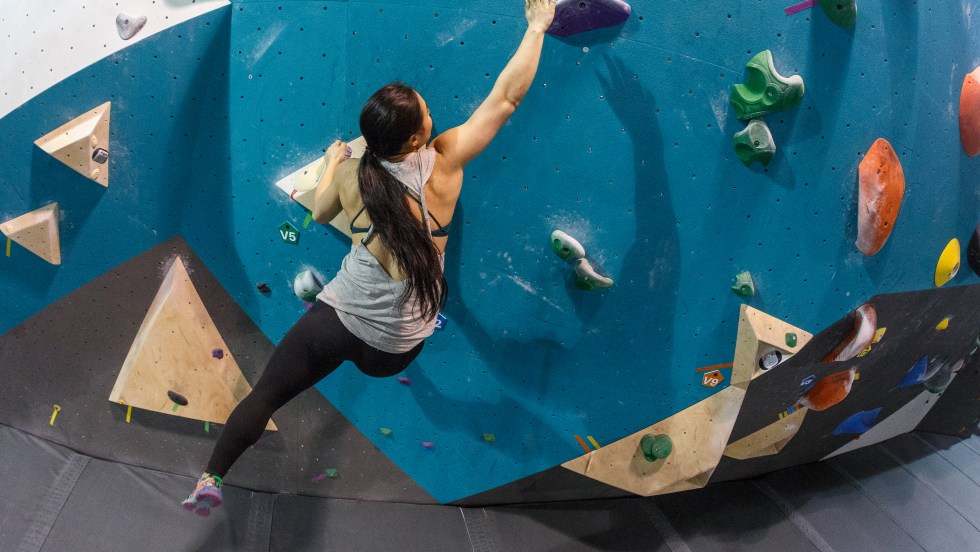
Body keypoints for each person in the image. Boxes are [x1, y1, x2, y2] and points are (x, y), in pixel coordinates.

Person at [182, 0, 556, 516]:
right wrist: (537, 27)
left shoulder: (351, 173)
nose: (433, 115)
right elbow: (506, 98)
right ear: (416, 138)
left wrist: (332, 162)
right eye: (427, 113)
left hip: (336, 321)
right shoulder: (445, 159)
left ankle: (211, 477)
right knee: (423, 307)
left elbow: (319, 213)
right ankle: (425, 318)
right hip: (394, 350)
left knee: (266, 393)